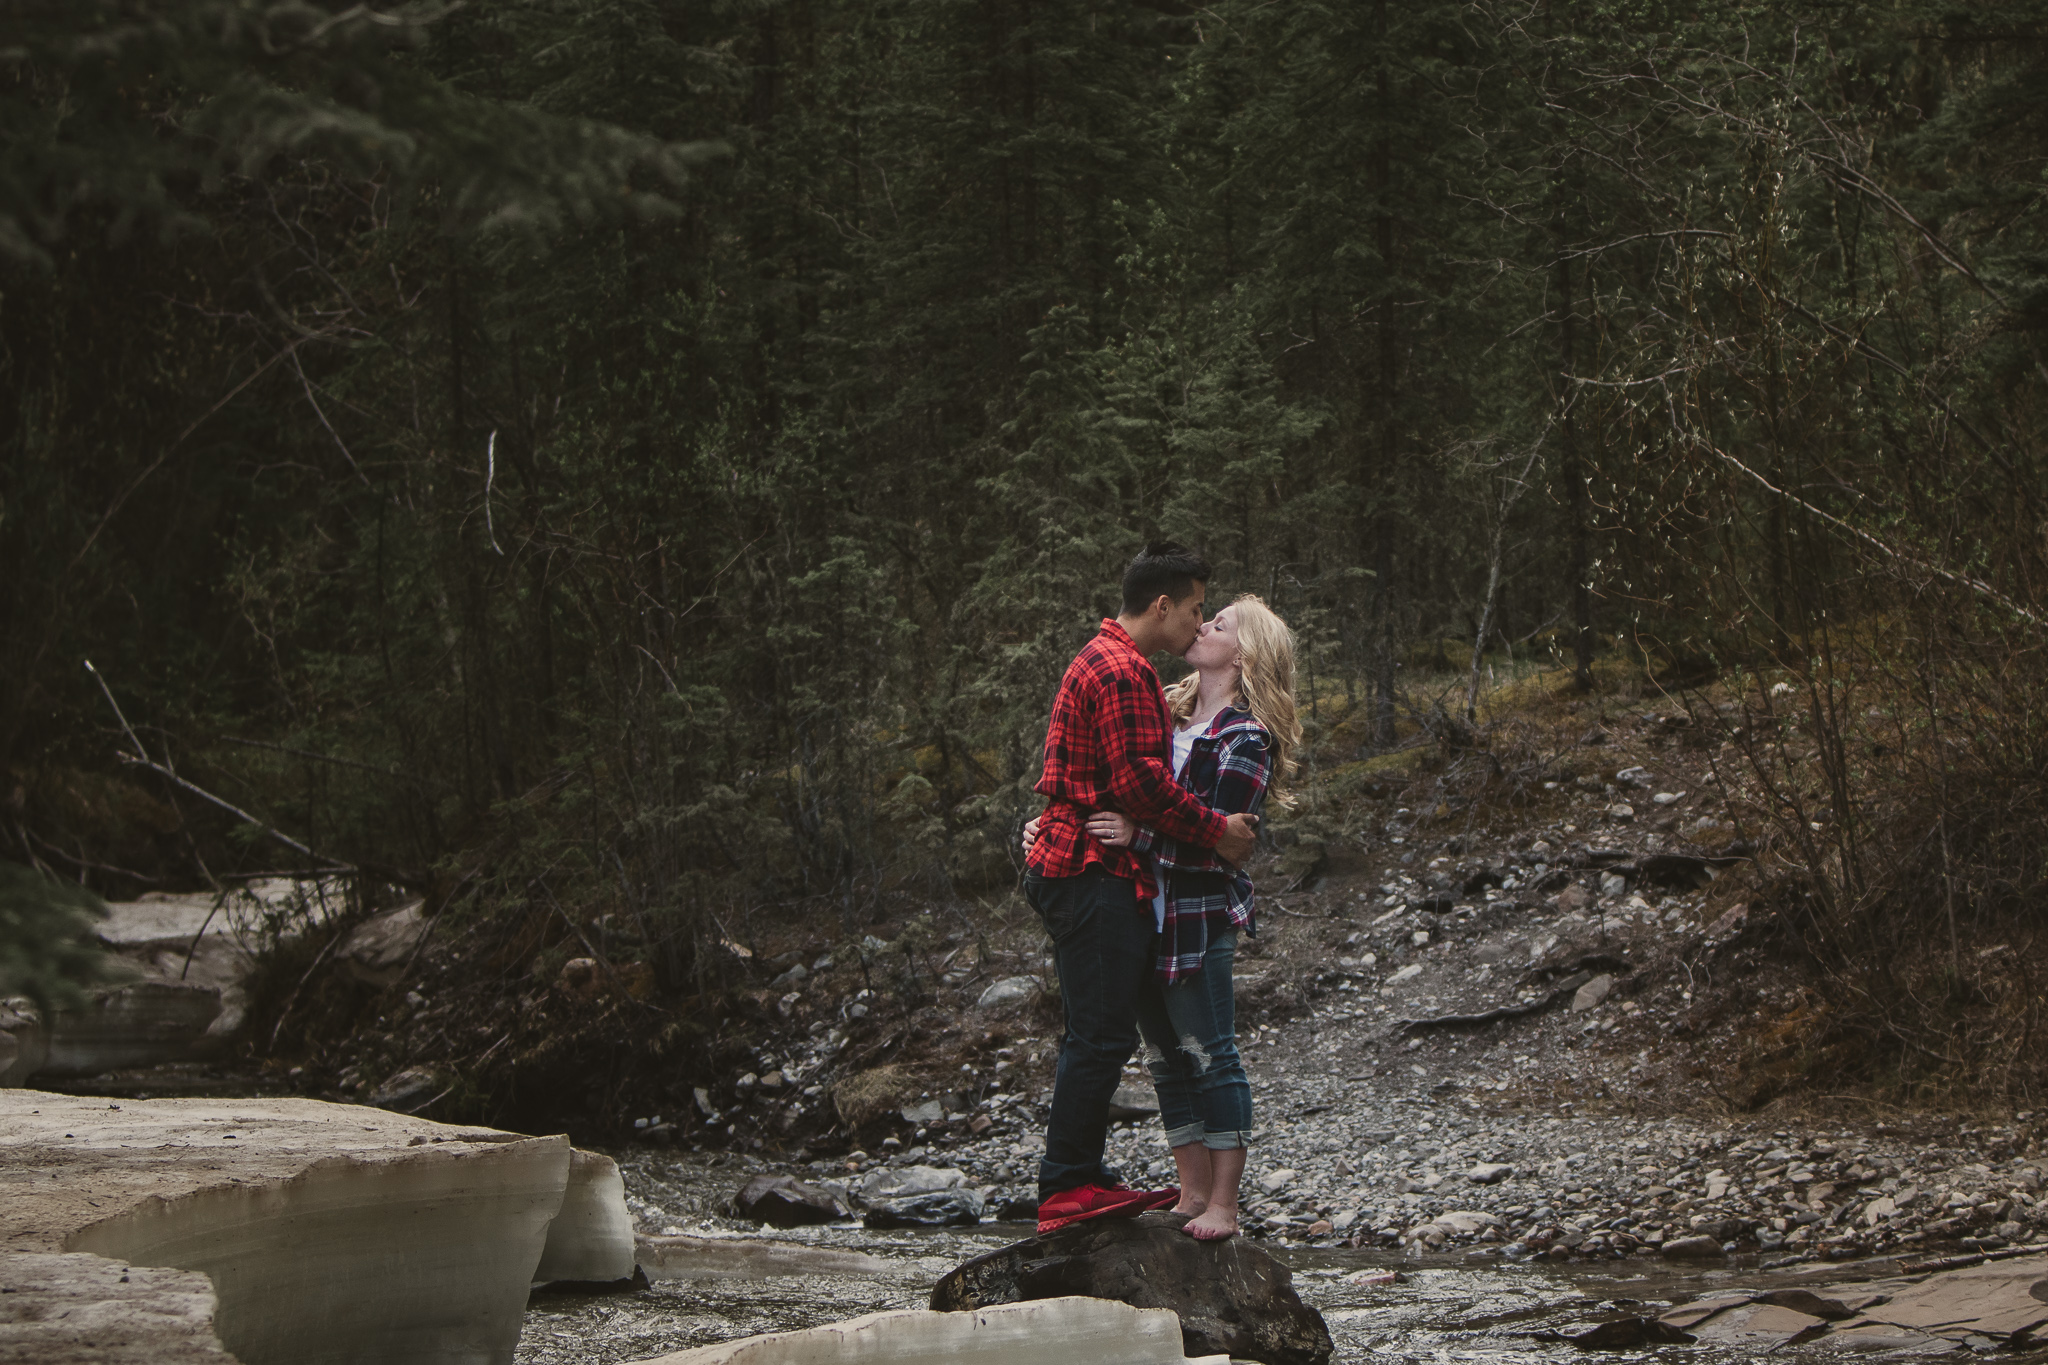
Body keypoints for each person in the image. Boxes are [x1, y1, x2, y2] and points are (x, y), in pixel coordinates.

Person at [1023, 544, 1261, 1235]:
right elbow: (1138, 784)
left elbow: (1098, 776)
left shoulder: (1107, 659)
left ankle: (1082, 1174)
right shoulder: (1125, 670)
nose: (1195, 624)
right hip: (1091, 870)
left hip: (1087, 864)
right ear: (1163, 605)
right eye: (1193, 610)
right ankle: (1068, 1183)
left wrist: (1057, 816)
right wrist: (1217, 829)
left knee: (1100, 1034)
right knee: (1099, 1039)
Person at [1081, 595, 1300, 1240]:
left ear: (1245, 652)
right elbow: (1114, 787)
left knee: (1211, 1055)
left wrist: (1137, 834)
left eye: (1221, 623)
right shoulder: (1163, 713)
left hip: (1198, 916)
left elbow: (1218, 843)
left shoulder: (1245, 737)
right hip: (1138, 909)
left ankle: (1225, 1207)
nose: (1203, 625)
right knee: (1166, 1058)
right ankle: (1191, 1191)